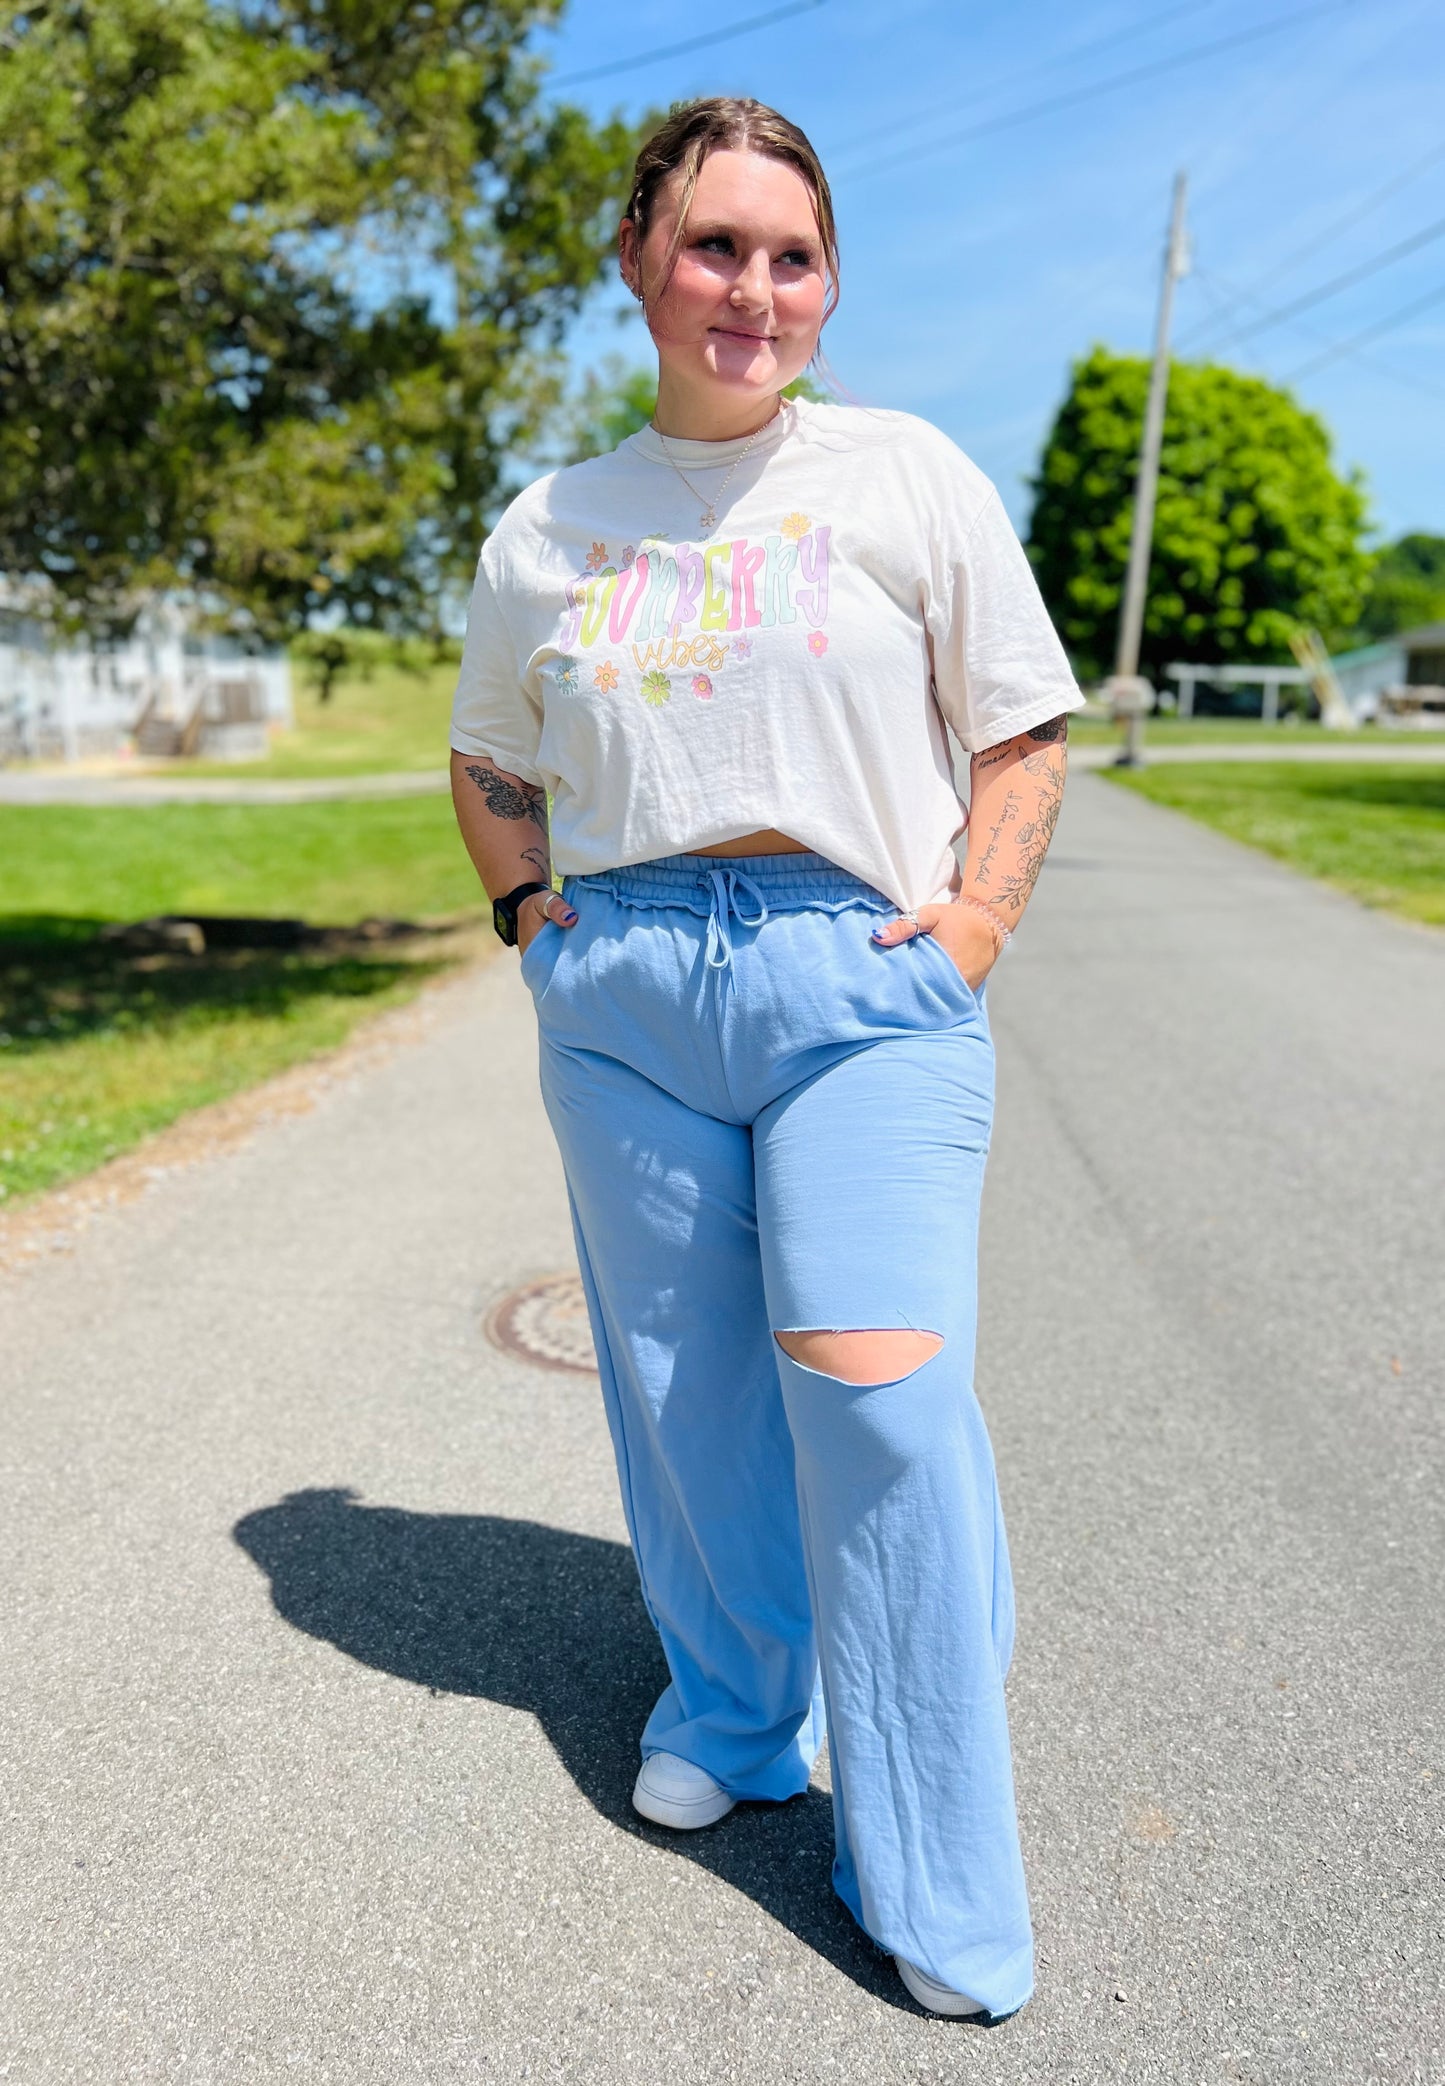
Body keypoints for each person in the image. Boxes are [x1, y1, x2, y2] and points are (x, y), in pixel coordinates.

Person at [449, 95, 1082, 2024]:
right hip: (627, 989)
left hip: (852, 976)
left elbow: (1020, 726)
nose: (752, 287)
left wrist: (967, 927)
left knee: (877, 1402)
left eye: (789, 255)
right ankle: (729, 1710)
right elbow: (489, 756)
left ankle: (933, 1870)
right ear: (644, 261)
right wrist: (530, 923)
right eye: (715, 245)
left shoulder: (901, 477)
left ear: (826, 285)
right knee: (683, 1388)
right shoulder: (550, 525)